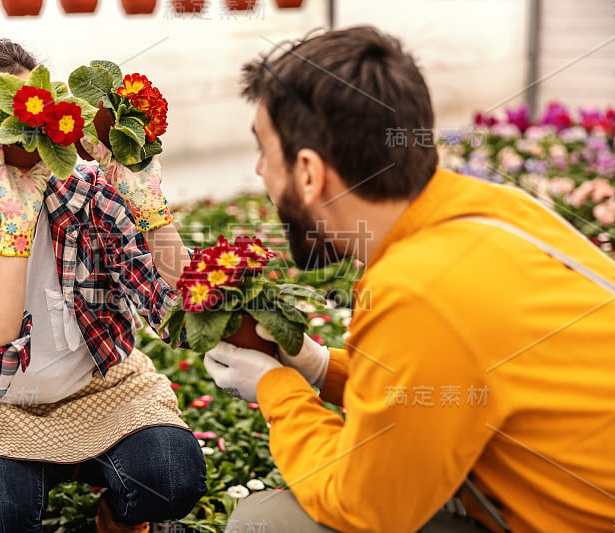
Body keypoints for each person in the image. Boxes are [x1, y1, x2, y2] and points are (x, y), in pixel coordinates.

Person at [202, 26, 615, 532]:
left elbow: (367, 507)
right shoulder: (491, 208)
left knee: (268, 521)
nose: (262, 172)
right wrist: (317, 367)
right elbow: (441, 384)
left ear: (308, 172)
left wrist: (279, 391)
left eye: (267, 153)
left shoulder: (421, 289)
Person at [0, 39, 206, 532]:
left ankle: (119, 517)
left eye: (37, 119)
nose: (30, 136)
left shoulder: (86, 193)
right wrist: (16, 230)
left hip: (102, 390)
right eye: (7, 122)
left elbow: (178, 314)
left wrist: (150, 206)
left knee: (172, 475)